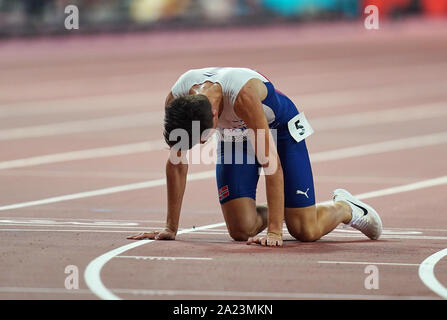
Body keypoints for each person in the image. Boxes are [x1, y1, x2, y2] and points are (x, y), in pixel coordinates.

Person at [127, 67, 382, 247]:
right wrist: (170, 228)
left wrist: (274, 231)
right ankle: (291, 208)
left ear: (215, 116)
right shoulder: (177, 99)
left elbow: (272, 165)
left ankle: (346, 207)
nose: (201, 145)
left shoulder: (243, 96)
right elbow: (177, 162)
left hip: (280, 130)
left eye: (202, 139)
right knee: (241, 230)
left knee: (305, 230)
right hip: (234, 135)